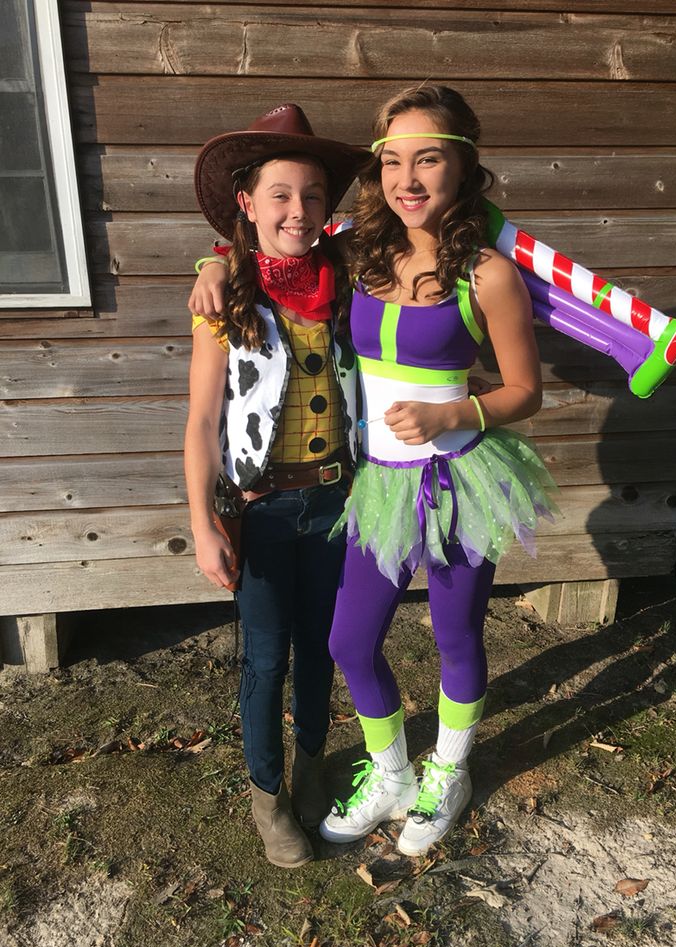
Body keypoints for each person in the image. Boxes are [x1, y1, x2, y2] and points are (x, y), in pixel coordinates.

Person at [315, 84, 558, 856]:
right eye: (393, 161)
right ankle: (389, 772)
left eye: (428, 159)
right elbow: (268, 235)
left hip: (458, 478)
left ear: (464, 167)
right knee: (351, 641)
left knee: (455, 632)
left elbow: (525, 390)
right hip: (381, 478)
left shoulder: (486, 272)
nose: (408, 178)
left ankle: (448, 771)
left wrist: (455, 413)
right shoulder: (357, 247)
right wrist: (213, 263)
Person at [184, 104, 368, 867]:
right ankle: (267, 796)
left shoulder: (354, 276)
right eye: (281, 195)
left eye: (315, 195)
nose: (299, 210)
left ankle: (309, 765)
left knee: (323, 647)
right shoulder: (226, 300)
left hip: (336, 502)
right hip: (260, 513)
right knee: (266, 657)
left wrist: (211, 256)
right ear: (248, 205)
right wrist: (201, 519)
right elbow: (201, 422)